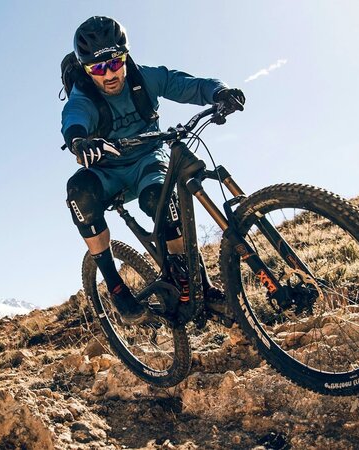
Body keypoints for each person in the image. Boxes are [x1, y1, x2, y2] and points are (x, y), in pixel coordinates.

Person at [61, 16, 245, 324]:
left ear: (125, 56)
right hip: (107, 172)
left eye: (115, 63)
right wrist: (79, 141)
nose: (109, 74)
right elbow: (73, 119)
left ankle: (198, 286)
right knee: (78, 194)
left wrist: (220, 93)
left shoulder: (146, 78)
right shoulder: (84, 96)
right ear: (86, 69)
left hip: (148, 161)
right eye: (98, 68)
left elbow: (189, 85)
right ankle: (116, 288)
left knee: (160, 201)